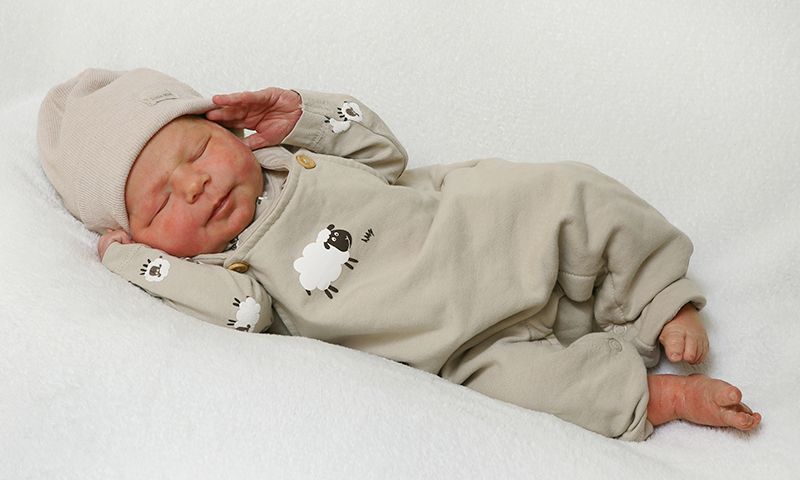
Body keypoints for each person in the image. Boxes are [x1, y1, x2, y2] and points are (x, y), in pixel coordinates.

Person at [38, 68, 761, 441]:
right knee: (527, 394)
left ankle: (659, 295)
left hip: (481, 232)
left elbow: (385, 153)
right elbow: (240, 317)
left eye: (197, 150)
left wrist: (306, 114)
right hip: (459, 347)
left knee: (573, 191)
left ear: (227, 129)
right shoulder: (226, 275)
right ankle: (656, 398)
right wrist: (133, 265)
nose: (195, 186)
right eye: (159, 204)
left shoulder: (293, 158)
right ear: (143, 238)